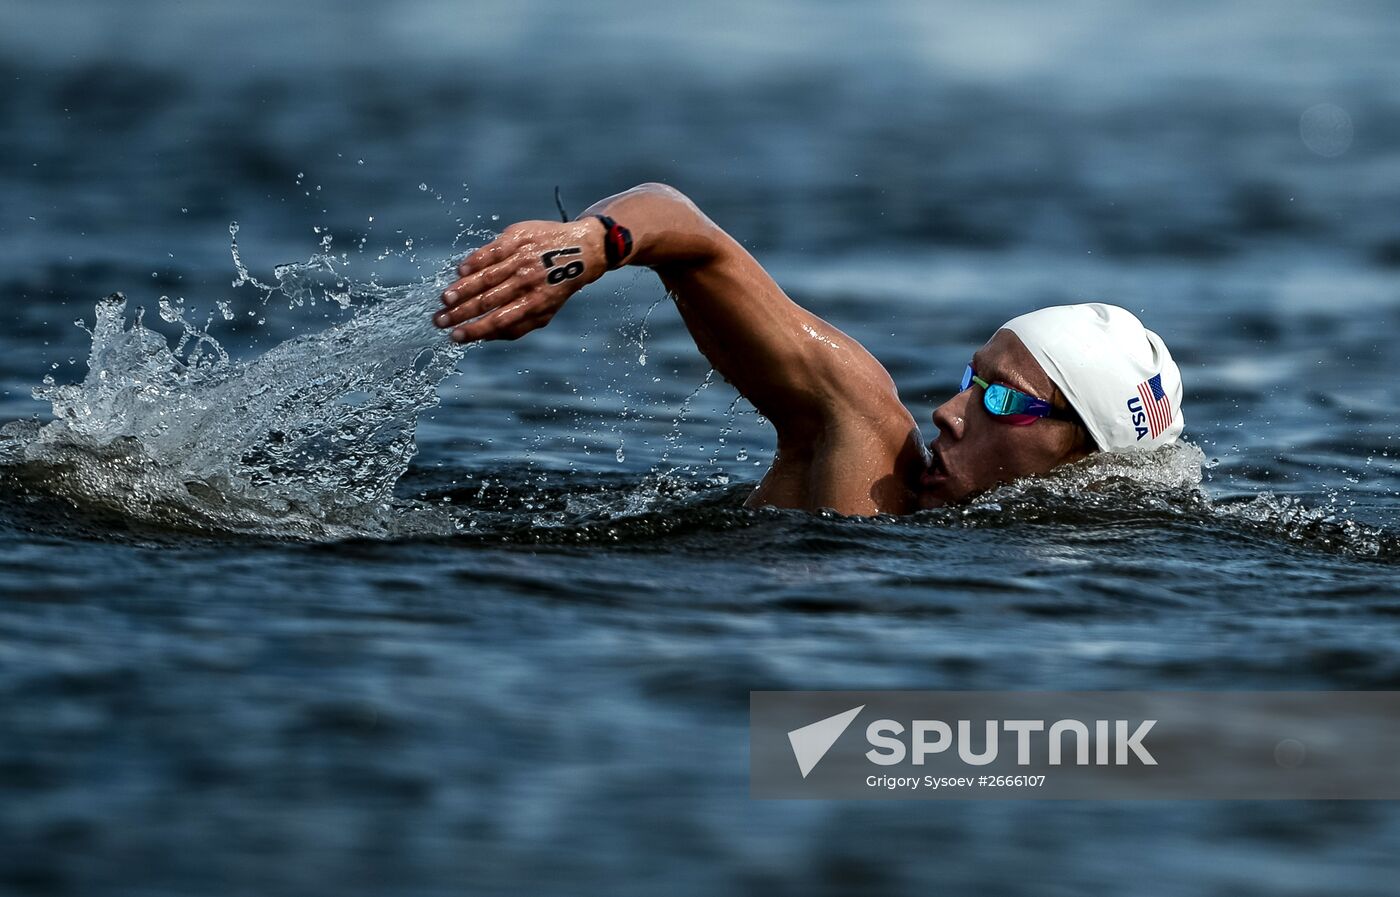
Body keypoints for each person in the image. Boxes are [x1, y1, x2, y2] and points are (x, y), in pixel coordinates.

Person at [432, 183, 1184, 516]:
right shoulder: (869, 448)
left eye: (998, 398)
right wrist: (593, 244)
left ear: (1087, 466)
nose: (947, 412)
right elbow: (689, 231)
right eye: (970, 378)